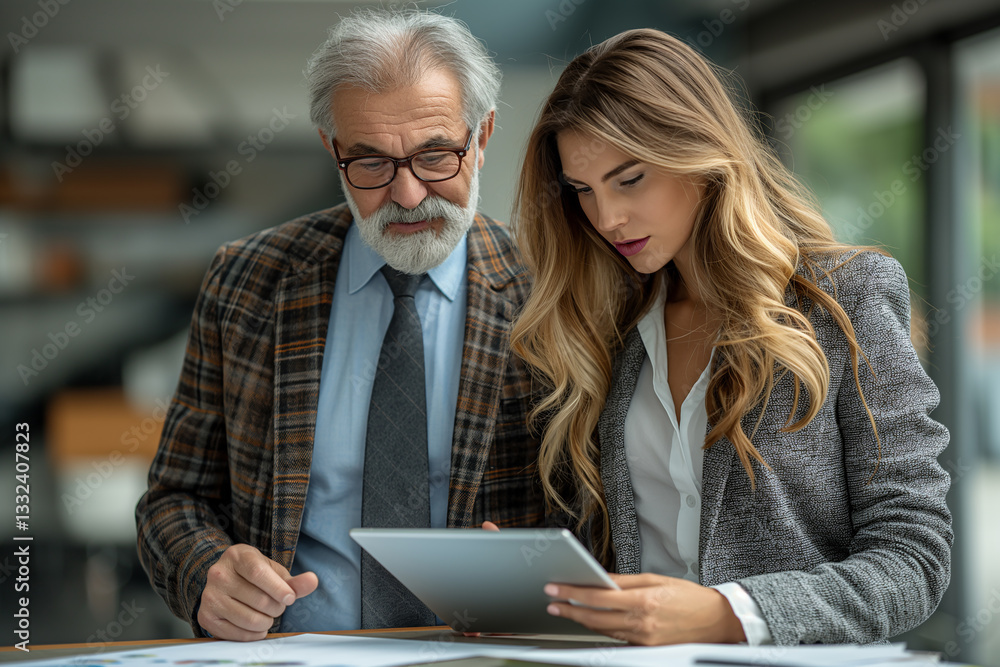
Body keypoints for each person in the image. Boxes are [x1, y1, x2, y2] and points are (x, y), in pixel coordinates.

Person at [508, 29, 952, 646]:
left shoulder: (846, 297)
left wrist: (727, 613)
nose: (607, 218)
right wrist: (534, 580)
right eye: (583, 190)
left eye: (629, 179)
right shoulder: (605, 326)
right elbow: (623, 557)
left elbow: (914, 561)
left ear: (700, 153)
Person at [135, 8, 544, 641]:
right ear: (332, 149)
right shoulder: (246, 281)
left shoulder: (550, 291)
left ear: (483, 136)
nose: (408, 196)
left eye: (436, 156)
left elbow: (609, 514)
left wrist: (539, 583)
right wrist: (205, 572)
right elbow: (173, 499)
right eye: (371, 163)